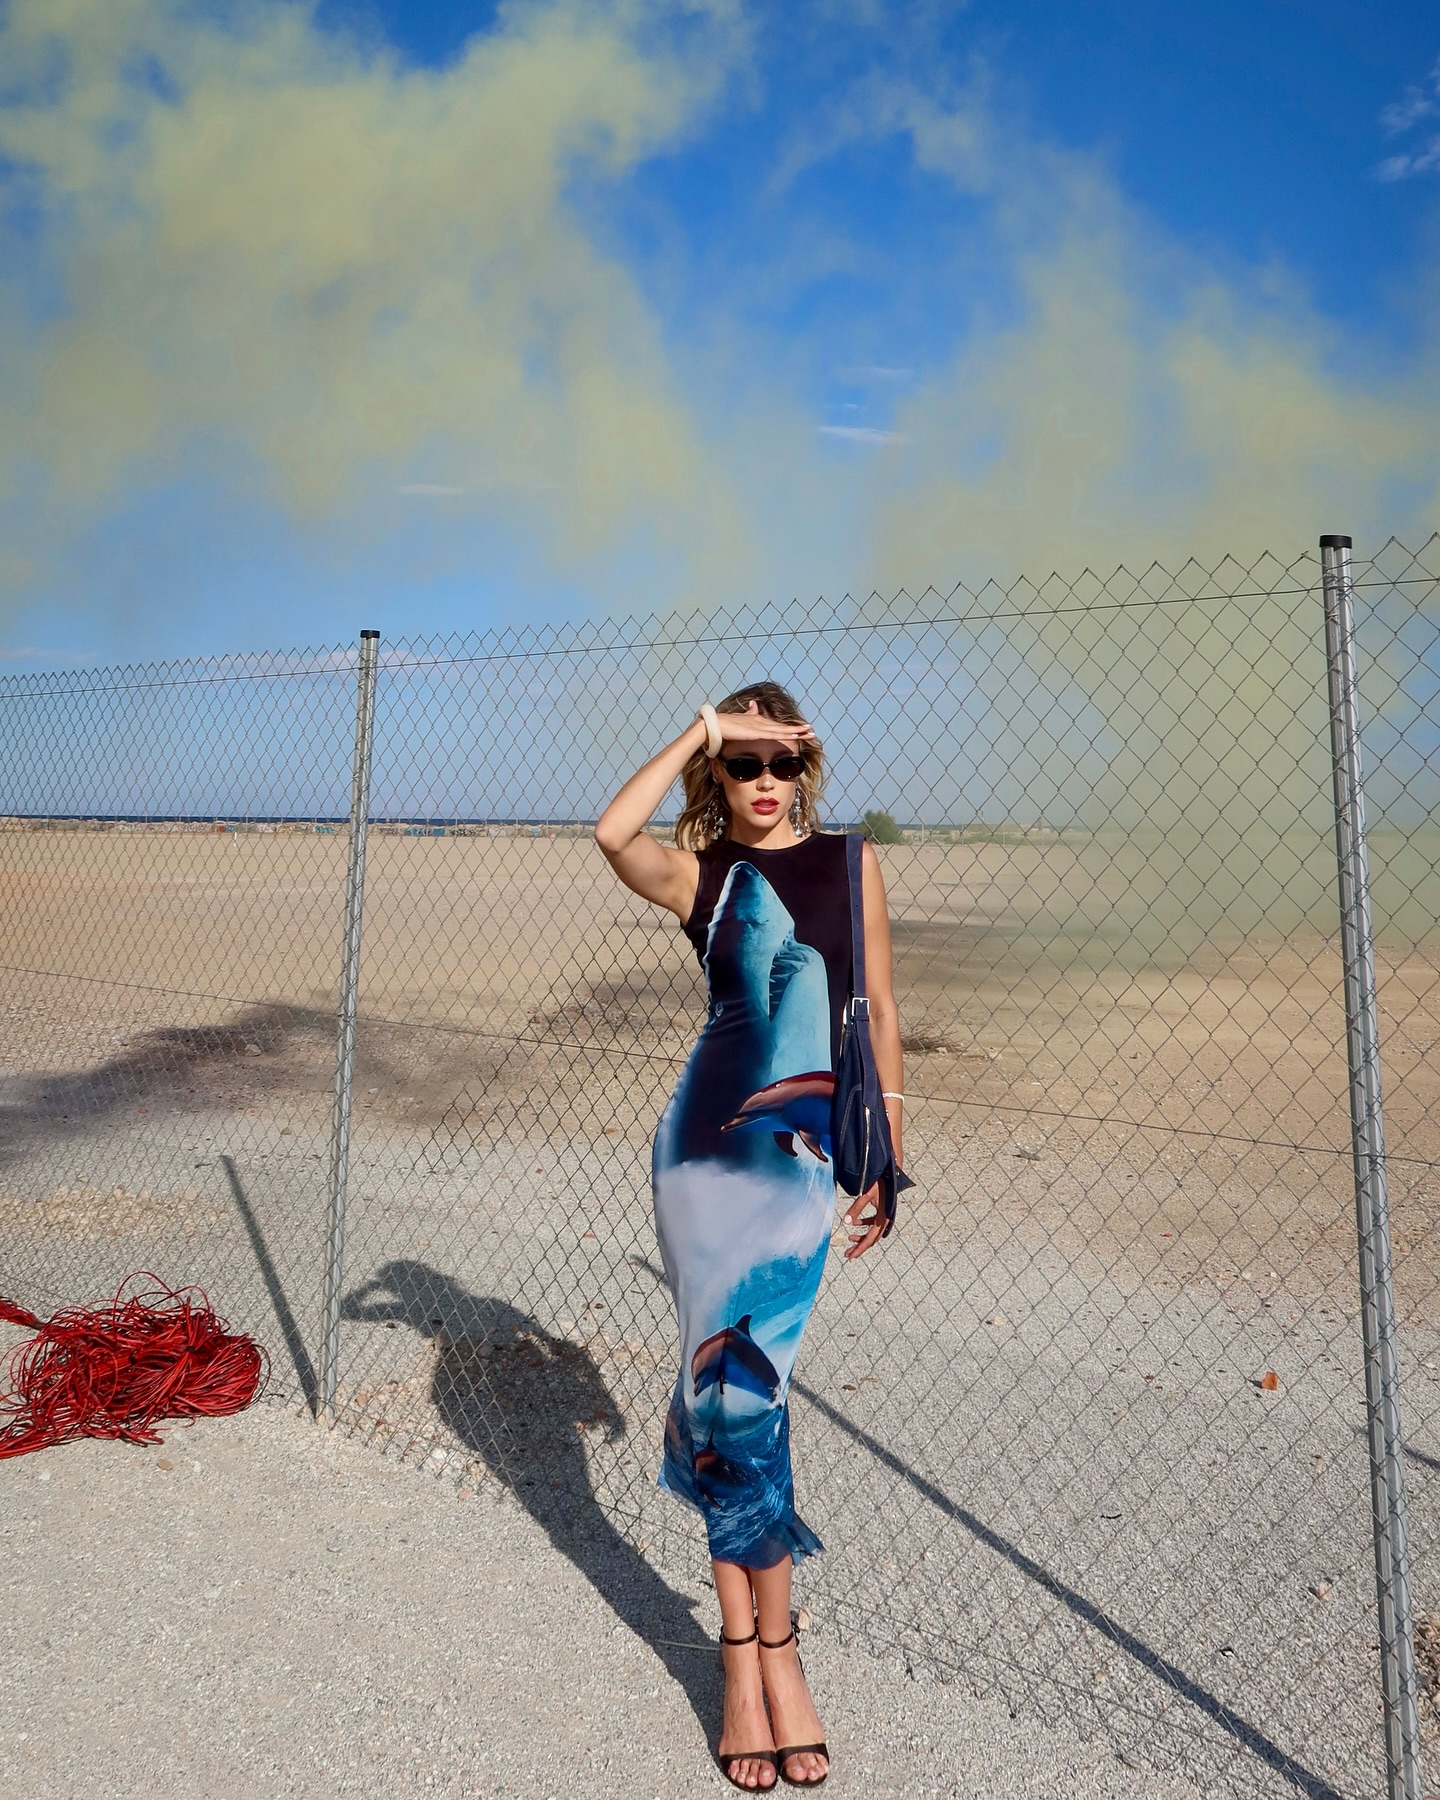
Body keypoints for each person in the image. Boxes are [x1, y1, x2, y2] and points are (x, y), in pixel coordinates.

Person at [594, 682, 905, 1791]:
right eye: (743, 764)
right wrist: (699, 726)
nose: (764, 782)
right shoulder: (706, 876)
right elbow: (611, 833)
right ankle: (757, 1663)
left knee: (747, 1398)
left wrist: (887, 1149)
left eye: (781, 763)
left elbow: (879, 1004)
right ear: (717, 775)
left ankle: (766, 1650)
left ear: (804, 771)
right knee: (730, 1399)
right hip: (700, 1161)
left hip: (802, 1162)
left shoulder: (851, 863)